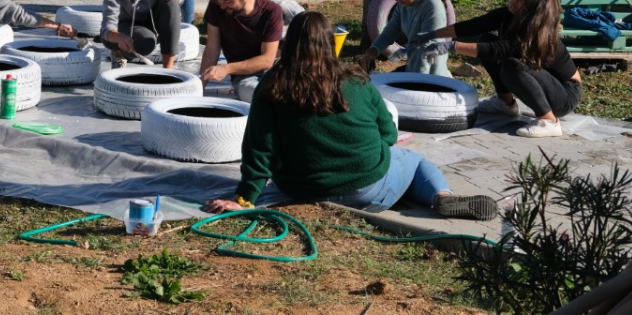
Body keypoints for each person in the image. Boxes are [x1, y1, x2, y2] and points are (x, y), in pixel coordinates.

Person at [204, 11, 498, 221]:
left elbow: (259, 149)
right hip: (366, 190)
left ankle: (419, 192)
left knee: (396, 169)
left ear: (289, 43)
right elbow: (389, 135)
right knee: (413, 161)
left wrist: (244, 199)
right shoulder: (357, 80)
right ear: (329, 43)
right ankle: (441, 197)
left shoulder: (272, 85)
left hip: (299, 188)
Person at [412, 0, 581, 138]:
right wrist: (432, 35)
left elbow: (497, 50)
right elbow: (473, 26)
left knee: (512, 66)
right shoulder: (507, 14)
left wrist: (451, 46)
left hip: (565, 95)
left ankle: (549, 121)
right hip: (545, 82)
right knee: (486, 39)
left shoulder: (534, 30)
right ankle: (506, 104)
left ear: (535, 6)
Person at [199, 0, 284, 102]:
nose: (222, 6)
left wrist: (226, 69)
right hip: (244, 75)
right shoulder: (217, 5)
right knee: (260, 96)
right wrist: (200, 86)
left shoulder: (271, 12)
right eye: (220, 1)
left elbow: (267, 60)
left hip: (275, 69)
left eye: (228, 1)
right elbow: (211, 49)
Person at [360, 0, 452, 76]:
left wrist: (415, 81)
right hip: (413, 68)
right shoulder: (403, 6)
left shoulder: (433, 6)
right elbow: (390, 32)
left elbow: (427, 48)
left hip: (431, 75)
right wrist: (372, 51)